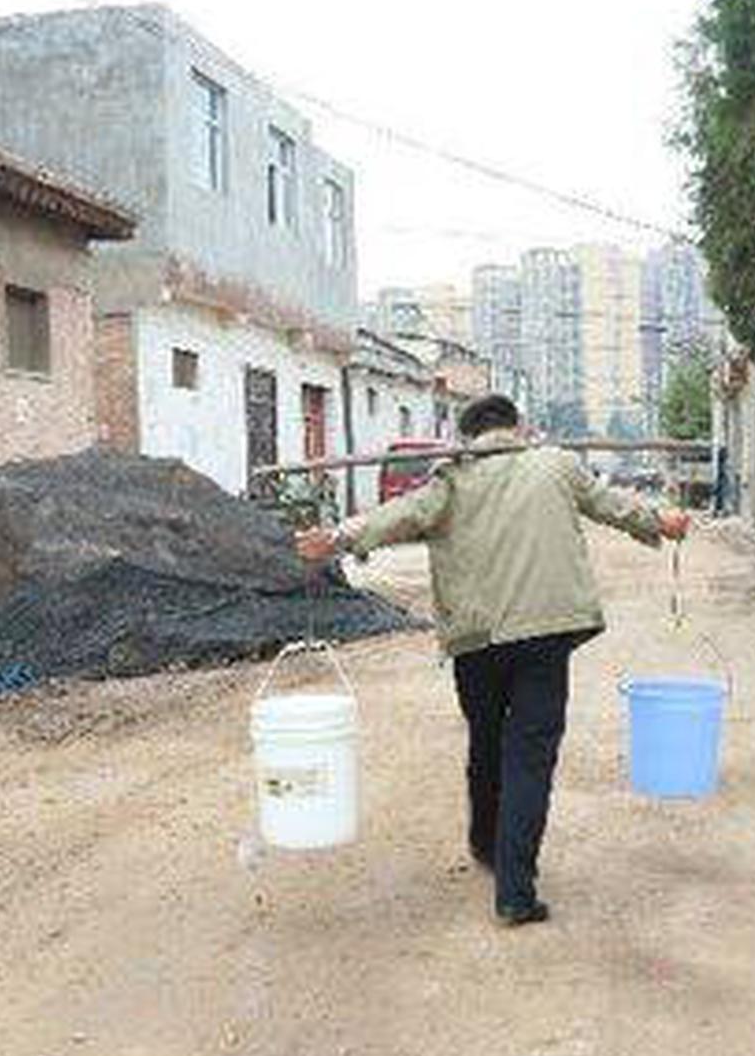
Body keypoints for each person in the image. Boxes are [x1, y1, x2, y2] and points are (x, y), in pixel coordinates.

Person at [295, 394, 689, 927]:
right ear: (519, 427)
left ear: (468, 435)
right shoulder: (557, 465)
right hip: (545, 634)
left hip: (476, 639)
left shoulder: (451, 479)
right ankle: (515, 891)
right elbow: (612, 505)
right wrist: (661, 521)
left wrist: (337, 538)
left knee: (486, 741)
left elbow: (398, 517)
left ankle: (486, 843)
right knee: (529, 755)